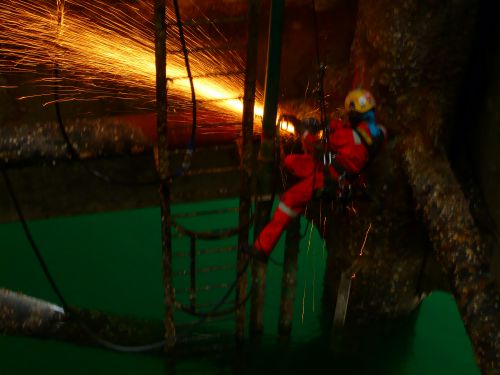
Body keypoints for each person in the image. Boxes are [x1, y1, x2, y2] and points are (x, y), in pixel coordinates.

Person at [252, 88, 386, 260]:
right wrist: (325, 124)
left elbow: (316, 149)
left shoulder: (349, 136)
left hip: (332, 177)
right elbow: (345, 132)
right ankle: (284, 162)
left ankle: (262, 248)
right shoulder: (375, 134)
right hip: (339, 171)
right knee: (293, 161)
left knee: (290, 198)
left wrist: (303, 130)